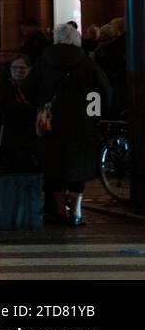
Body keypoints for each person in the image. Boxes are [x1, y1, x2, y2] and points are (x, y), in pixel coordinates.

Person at [24, 23, 112, 225]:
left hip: (50, 123)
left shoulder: (44, 61)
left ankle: (59, 210)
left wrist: (41, 106)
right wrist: (94, 112)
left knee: (53, 166)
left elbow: (28, 89)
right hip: (82, 124)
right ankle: (77, 210)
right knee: (78, 166)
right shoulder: (86, 62)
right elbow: (103, 91)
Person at [0, 55, 38, 173]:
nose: (18, 71)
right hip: (9, 139)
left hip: (29, 139)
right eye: (15, 68)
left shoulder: (34, 88)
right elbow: (6, 110)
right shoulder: (5, 87)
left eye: (22, 68)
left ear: (29, 69)